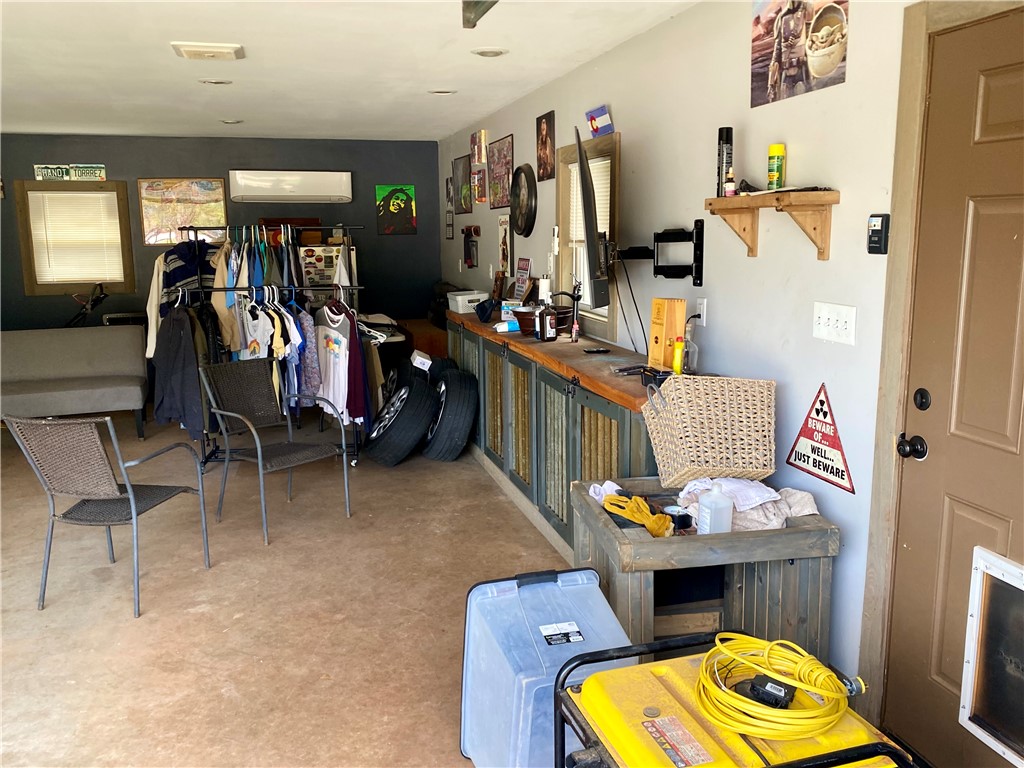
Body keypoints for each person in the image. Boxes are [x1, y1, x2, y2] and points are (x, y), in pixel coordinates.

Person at [767, 0, 813, 103]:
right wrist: (771, 83)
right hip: (786, 73)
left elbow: (812, 37)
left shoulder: (807, 8)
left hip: (802, 70)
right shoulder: (781, 17)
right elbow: (777, 51)